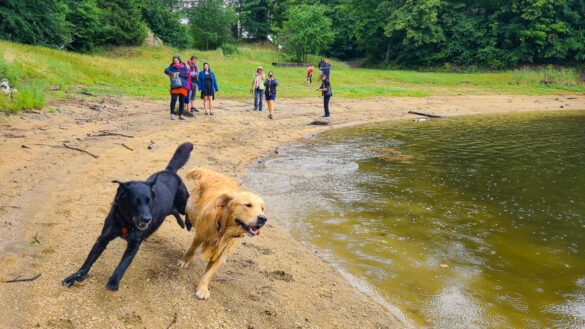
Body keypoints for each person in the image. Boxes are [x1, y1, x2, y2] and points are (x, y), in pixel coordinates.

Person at [164, 55, 190, 120]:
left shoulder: (184, 67)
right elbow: (166, 70)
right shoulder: (171, 66)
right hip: (175, 85)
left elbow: (188, 75)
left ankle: (181, 115)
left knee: (182, 101)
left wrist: (181, 74)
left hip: (183, 85)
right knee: (173, 99)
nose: (175, 62)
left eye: (176, 61)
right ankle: (172, 114)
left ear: (179, 60)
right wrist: (174, 73)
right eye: (174, 61)